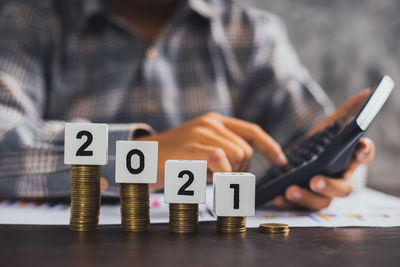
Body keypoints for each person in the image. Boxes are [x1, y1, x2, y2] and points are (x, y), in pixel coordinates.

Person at [0, 0, 374, 210]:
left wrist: (339, 168)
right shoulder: (31, 18)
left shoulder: (251, 32)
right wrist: (138, 155)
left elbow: (311, 134)